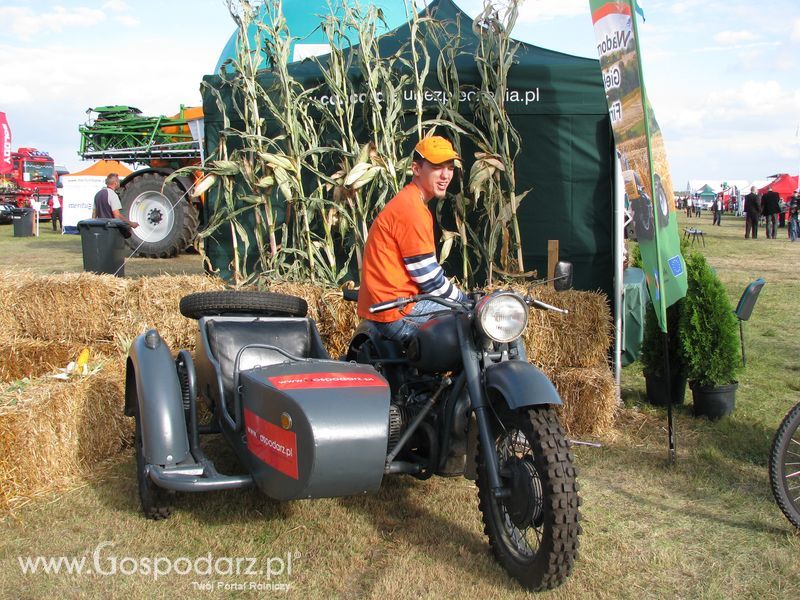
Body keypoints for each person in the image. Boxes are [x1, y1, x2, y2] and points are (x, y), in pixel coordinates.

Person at [357, 136, 467, 342]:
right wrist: (465, 300)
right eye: (437, 167)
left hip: (393, 306)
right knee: (476, 321)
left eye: (450, 168)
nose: (445, 175)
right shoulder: (411, 210)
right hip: (398, 311)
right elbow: (429, 280)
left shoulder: (410, 202)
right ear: (416, 169)